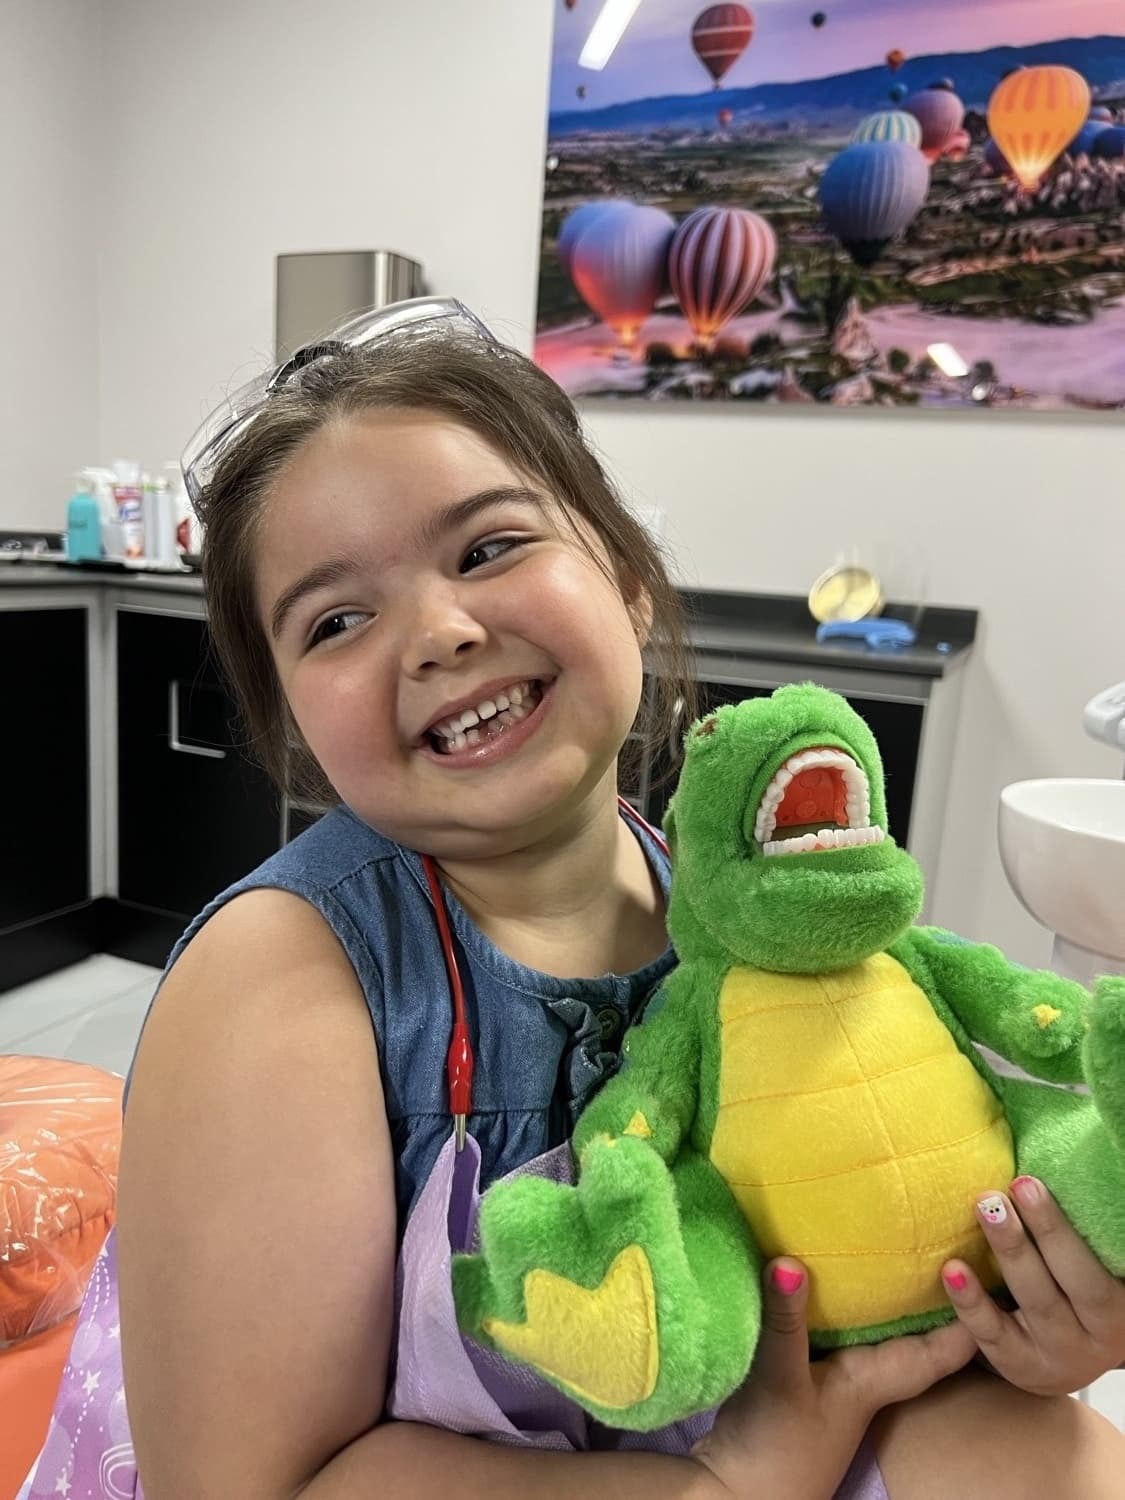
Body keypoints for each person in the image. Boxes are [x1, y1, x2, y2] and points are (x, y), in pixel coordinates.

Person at [116, 299, 1125, 1500]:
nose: (439, 632)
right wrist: (729, 1484)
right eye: (337, 620)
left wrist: (1028, 1324)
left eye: (488, 548)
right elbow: (245, 1483)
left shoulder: (746, 915)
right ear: (291, 720)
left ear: (630, 580)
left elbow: (874, 1258)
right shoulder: (282, 981)